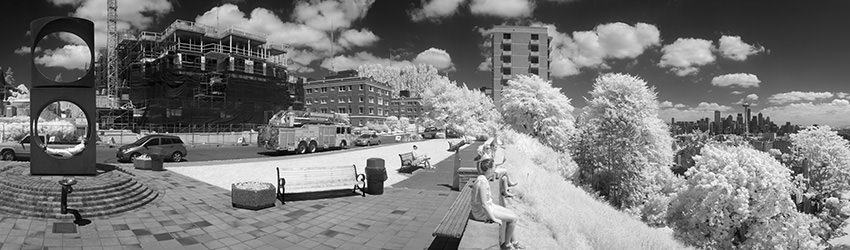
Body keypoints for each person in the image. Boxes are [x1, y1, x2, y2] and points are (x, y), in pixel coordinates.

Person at [471, 158, 523, 250]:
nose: (495, 169)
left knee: (512, 214)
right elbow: (484, 204)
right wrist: (494, 219)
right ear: (489, 169)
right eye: (494, 167)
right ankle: (506, 245)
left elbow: (486, 203)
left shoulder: (482, 178)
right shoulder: (482, 182)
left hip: (488, 207)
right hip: (481, 213)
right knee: (514, 219)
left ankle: (514, 242)